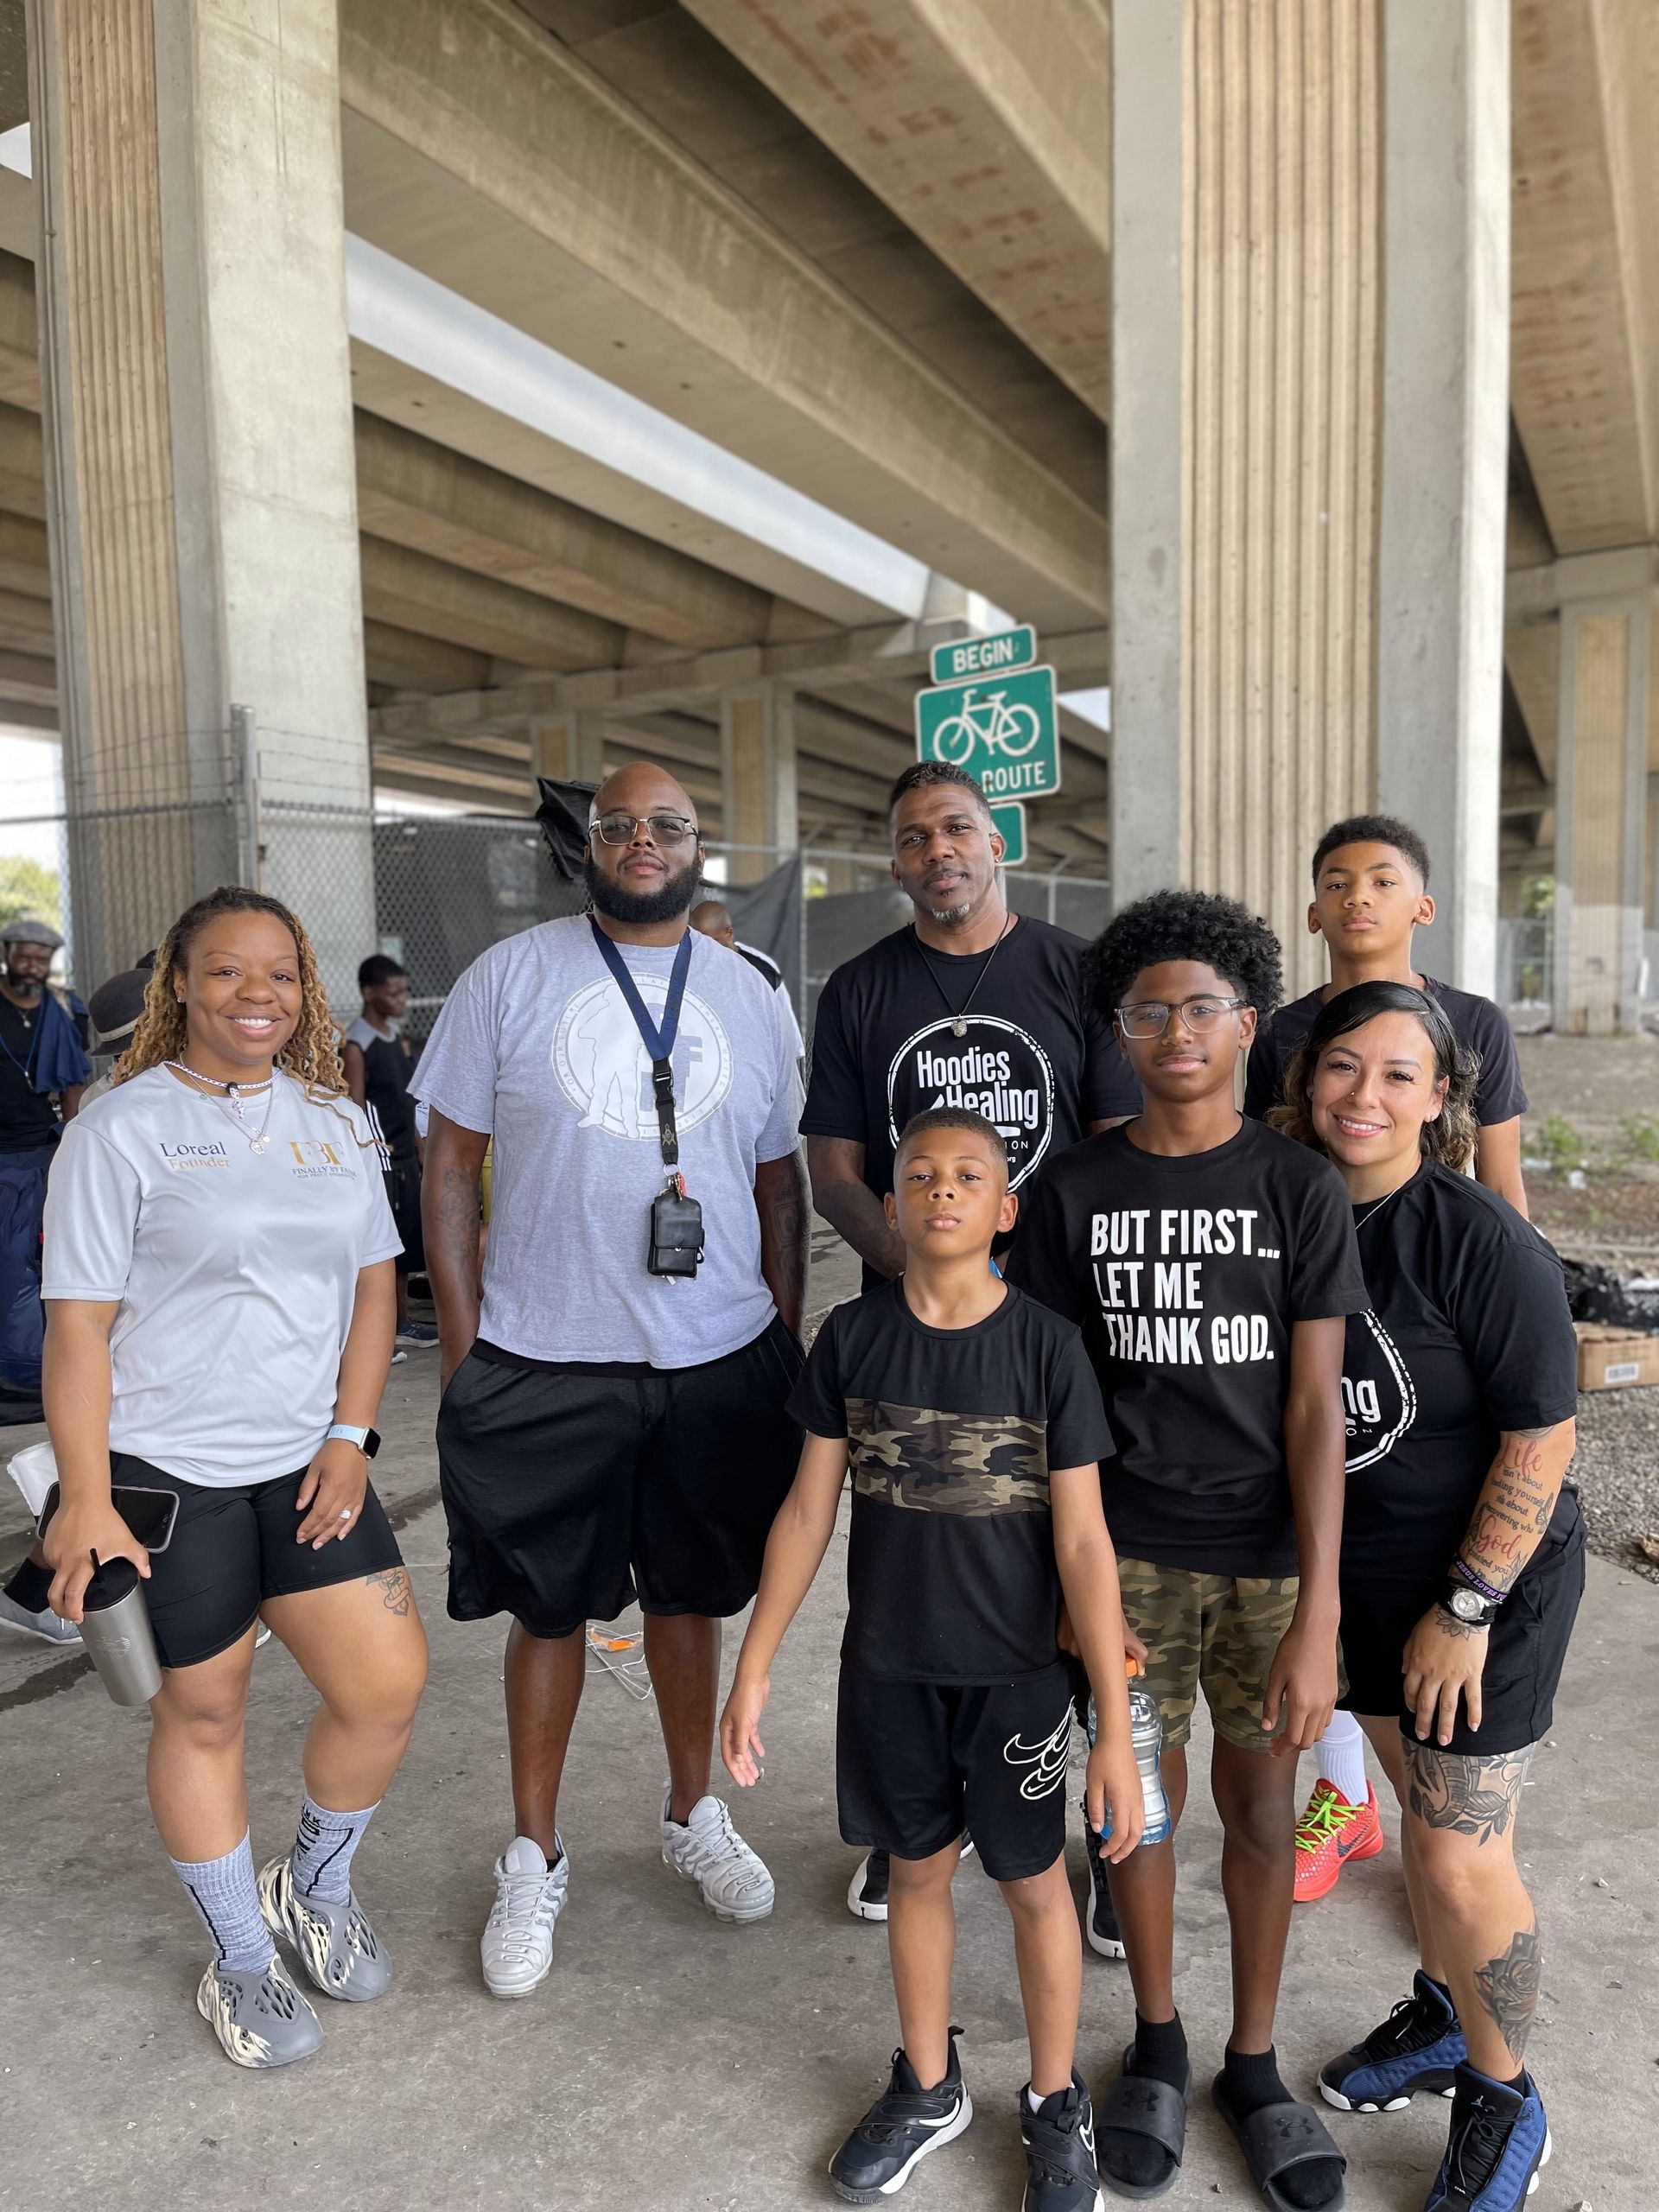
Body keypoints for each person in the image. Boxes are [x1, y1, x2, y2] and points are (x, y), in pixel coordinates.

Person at [415, 760, 810, 1999]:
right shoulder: (508, 978)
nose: (645, 841)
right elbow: (445, 1170)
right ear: (588, 845)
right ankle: (533, 1851)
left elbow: (781, 1181)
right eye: (621, 825)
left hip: (713, 1360)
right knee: (549, 1611)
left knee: (690, 1600)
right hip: (546, 1354)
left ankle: (693, 1810)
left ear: (703, 845)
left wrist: (782, 1335)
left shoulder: (750, 990)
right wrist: (471, 1349)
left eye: (671, 825)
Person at [1005, 888, 1364, 2209]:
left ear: (1247, 1021)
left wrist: (1322, 1609)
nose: (1173, 1031)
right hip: (1128, 1556)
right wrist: (1062, 1580)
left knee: (1262, 1808)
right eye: (1146, 1011)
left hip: (1268, 1563)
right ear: (1118, 1029)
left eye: (1200, 1008)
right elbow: (1046, 1402)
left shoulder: (1296, 1187)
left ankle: (1250, 2060)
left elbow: (1318, 1407)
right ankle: (1155, 2038)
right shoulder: (1073, 1190)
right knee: (1135, 1807)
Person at [721, 1107, 1146, 2211]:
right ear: (892, 1207)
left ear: (1005, 1211)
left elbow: (1085, 1543)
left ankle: (1055, 2104)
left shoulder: (1047, 1345)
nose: (942, 1189)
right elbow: (808, 1513)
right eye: (920, 1174)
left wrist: (1110, 1728)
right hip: (890, 1672)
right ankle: (926, 2082)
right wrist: (755, 1659)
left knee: (1033, 1884)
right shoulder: (854, 1342)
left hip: (1016, 1679)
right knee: (915, 1871)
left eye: (968, 1176)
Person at [37, 886, 426, 2069]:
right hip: (171, 1477)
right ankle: (241, 1964)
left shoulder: (334, 1121)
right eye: (224, 972)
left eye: (279, 973)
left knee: (385, 1686)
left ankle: (310, 1887)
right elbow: (77, 1331)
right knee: (204, 1717)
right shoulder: (120, 1129)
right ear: (180, 988)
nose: (256, 995)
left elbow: (374, 1289)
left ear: (303, 989)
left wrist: (352, 1436)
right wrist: (88, 1497)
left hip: (306, 1466)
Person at [803, 759, 1141, 1929]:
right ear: (893, 861)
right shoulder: (857, 989)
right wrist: (919, 1266)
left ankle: (1103, 1832)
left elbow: (1110, 1145)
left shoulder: (1074, 973)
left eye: (957, 829)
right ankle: (918, 1829)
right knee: (929, 1571)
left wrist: (1050, 1292)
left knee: (1081, 1573)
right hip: (920, 1333)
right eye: (910, 838)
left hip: (1056, 1333)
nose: (936, 850)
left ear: (1001, 842)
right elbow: (835, 1169)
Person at [1268, 982, 1580, 2212]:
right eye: (1344, 1067)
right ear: (1307, 1080)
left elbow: (1542, 1442)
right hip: (1362, 1578)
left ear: (1442, 1098)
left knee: (1454, 1857)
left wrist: (1463, 1608)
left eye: (1400, 1075)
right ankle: (1451, 2017)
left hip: (1483, 1582)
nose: (1364, 1096)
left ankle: (1508, 2099)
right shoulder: (1285, 1212)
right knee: (1413, 1802)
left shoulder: (1477, 1238)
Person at [1241, 815, 1531, 1902]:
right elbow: (1276, 1166)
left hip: (1438, 1315)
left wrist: (1518, 1336)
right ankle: (1347, 1797)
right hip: (1327, 1315)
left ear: (1421, 903)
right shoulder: (1282, 1034)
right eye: (1335, 881)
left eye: (1382, 879)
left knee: (1430, 1635)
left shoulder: (1474, 1022)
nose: (1356, 896)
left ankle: (1459, 1862)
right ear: (1312, 909)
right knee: (1334, 1584)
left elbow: (1504, 1192)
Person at [0, 918, 92, 1643]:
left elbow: (70, 1090)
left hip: (39, 1158)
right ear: (8, 955)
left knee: (33, 1276)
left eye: (42, 954)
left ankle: (29, 1373)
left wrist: (65, 1156)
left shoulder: (58, 1014)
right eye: (24, 951)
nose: (32, 962)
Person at [344, 954, 435, 1348]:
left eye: (403, 992)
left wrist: (418, 1145)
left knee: (406, 1238)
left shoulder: (395, 1039)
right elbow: (354, 1105)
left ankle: (404, 1318)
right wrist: (366, 1151)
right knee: (388, 1241)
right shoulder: (356, 1044)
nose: (401, 1000)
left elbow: (407, 1099)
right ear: (368, 993)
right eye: (391, 992)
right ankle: (392, 1323)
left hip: (402, 1153)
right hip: (381, 1156)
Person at [690, 898, 804, 1061]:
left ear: (728, 933)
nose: (705, 948)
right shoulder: (690, 967)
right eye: (699, 941)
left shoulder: (761, 971)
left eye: (712, 941)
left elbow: (788, 1040)